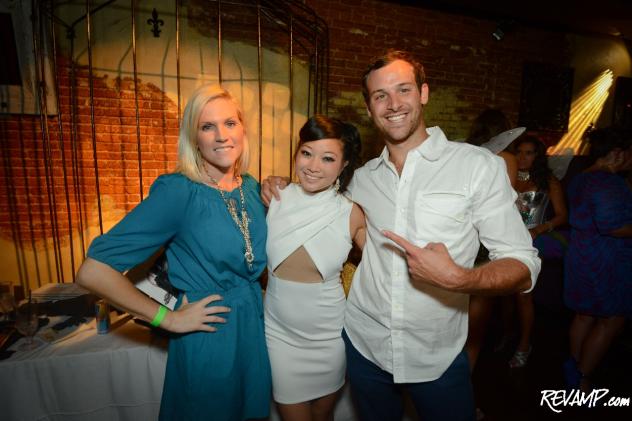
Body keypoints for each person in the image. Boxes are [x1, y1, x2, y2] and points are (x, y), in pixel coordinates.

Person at [263, 50, 540, 421]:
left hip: (436, 356)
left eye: (403, 90)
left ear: (424, 93)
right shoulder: (362, 179)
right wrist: (278, 186)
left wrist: (462, 278)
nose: (393, 104)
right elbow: (319, 202)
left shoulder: (476, 167)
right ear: (369, 106)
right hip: (363, 347)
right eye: (380, 95)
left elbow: (524, 262)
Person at [76, 85, 271, 420]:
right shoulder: (179, 192)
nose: (222, 135)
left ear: (243, 129)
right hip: (210, 333)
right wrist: (168, 319)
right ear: (194, 138)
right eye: (207, 126)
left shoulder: (252, 188)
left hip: (253, 329)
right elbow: (92, 271)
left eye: (230, 123)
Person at [265, 115, 366, 421]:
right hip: (279, 335)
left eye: (328, 158)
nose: (313, 166)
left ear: (344, 164)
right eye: (306, 153)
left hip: (328, 337)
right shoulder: (274, 198)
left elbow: (385, 267)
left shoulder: (351, 213)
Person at [563, 127, 632, 391]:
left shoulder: (582, 177)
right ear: (616, 153)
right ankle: (582, 376)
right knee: (613, 318)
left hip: (582, 254)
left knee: (584, 316)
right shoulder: (608, 182)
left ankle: (574, 366)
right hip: (606, 260)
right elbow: (612, 226)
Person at [464, 108, 519, 370]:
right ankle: (465, 386)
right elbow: (503, 203)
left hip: (463, 236)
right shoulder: (506, 158)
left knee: (456, 310)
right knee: (477, 318)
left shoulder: (465, 154)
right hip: (486, 239)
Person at [508, 134, 567, 368]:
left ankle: (524, 344)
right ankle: (508, 334)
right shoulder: (508, 177)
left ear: (537, 156)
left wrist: (539, 229)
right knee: (504, 297)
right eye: (519, 152)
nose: (522, 157)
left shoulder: (548, 181)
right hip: (505, 240)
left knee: (523, 296)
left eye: (529, 153)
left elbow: (563, 215)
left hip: (532, 242)